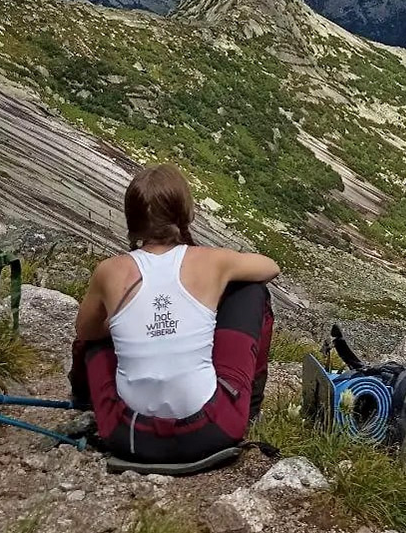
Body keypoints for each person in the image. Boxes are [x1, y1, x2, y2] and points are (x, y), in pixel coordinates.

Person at [69, 163, 280, 463]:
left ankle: (83, 400)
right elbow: (270, 267)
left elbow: (85, 333)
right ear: (185, 214)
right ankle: (249, 410)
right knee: (252, 291)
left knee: (97, 330)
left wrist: (127, 324)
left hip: (128, 437)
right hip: (212, 432)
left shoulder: (109, 271)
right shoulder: (211, 261)